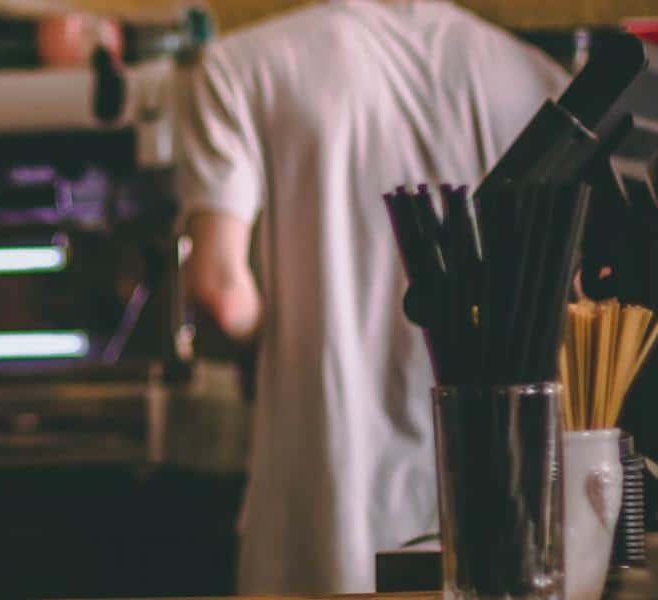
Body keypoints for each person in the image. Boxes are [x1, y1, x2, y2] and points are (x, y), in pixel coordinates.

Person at [174, 0, 569, 593]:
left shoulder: (239, 67)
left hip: (319, 515)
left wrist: (278, 341)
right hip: (494, 518)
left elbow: (220, 292)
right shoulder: (538, 80)